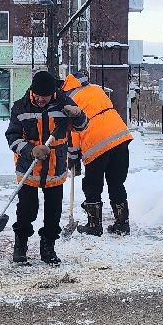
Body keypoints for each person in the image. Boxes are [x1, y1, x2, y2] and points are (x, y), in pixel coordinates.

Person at [5, 71, 87, 265]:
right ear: (32, 91)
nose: (41, 99)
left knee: (53, 212)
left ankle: (48, 248)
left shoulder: (64, 103)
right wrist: (31, 150)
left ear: (53, 93)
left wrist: (78, 115)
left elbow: (82, 127)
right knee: (26, 210)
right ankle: (20, 246)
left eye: (46, 96)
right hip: (28, 168)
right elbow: (12, 138)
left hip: (55, 168)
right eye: (38, 95)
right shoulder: (20, 107)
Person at [61, 72, 133, 236]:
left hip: (95, 141)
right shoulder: (96, 89)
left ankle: (94, 225)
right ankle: (122, 224)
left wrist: (72, 158)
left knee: (92, 185)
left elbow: (73, 132)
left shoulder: (69, 100)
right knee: (116, 182)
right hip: (120, 136)